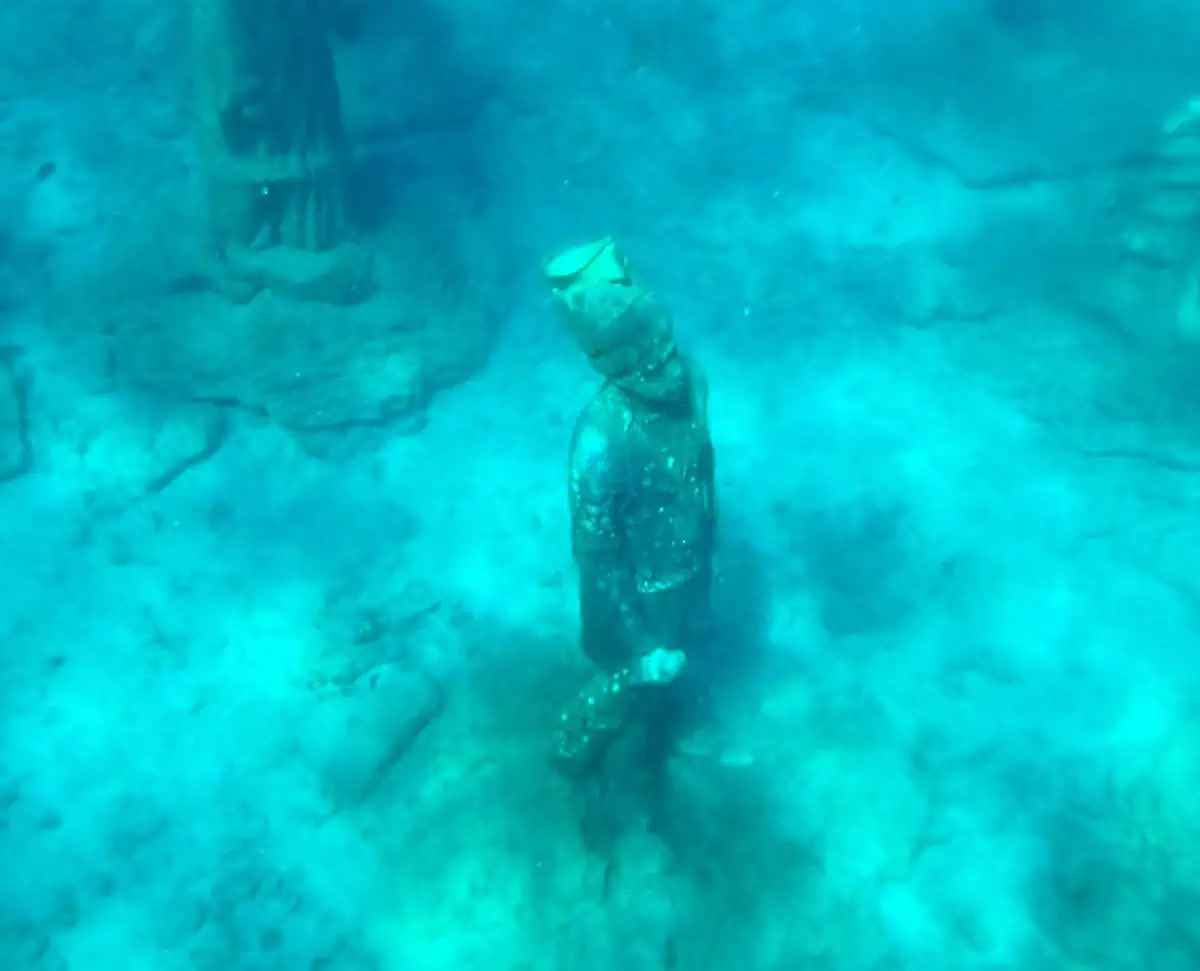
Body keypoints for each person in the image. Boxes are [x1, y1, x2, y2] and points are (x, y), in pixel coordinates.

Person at [544, 238, 717, 783]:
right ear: (612, 364)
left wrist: (710, 548)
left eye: (666, 349)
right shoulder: (599, 442)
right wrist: (638, 647)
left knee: (682, 659)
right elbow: (597, 559)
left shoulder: (693, 380)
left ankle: (675, 726)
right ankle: (575, 744)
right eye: (647, 363)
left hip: (688, 572)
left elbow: (701, 473)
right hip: (643, 594)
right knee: (634, 680)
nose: (668, 371)